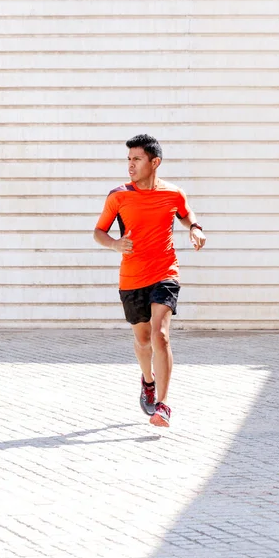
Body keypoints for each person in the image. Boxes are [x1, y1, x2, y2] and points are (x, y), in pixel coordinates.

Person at [93, 134, 206, 427]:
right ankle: (148, 382)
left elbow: (185, 212)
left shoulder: (173, 193)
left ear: (154, 162)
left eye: (137, 159)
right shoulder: (118, 196)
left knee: (161, 335)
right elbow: (99, 232)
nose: (130, 165)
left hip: (165, 272)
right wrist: (115, 244)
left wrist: (194, 227)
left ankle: (164, 405)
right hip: (132, 278)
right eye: (128, 159)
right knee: (143, 340)